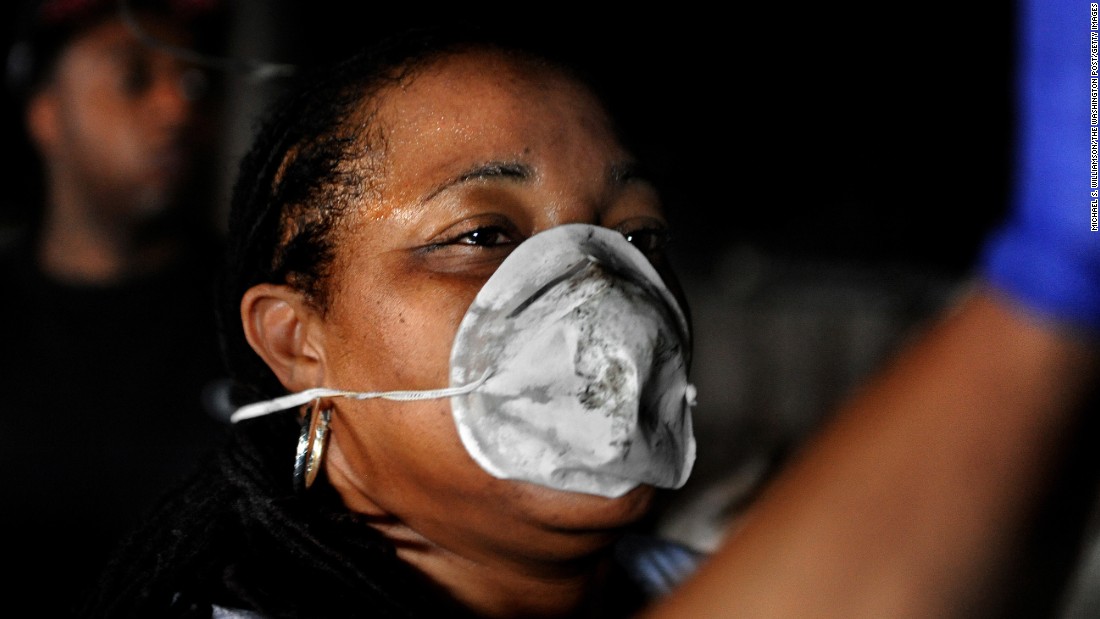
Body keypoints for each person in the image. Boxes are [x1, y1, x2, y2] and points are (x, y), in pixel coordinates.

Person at [80, 6, 1098, 618]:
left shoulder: (698, 573)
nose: (597, 288)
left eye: (636, 238)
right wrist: (1047, 288)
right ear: (296, 343)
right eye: (480, 234)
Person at [0, 0, 233, 613]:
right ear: (45, 113)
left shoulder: (261, 313)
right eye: (134, 77)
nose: (178, 108)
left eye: (193, 82)